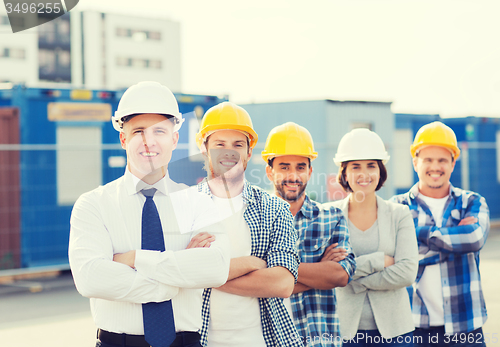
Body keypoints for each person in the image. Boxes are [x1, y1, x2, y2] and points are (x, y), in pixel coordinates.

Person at [69, 81, 230, 347]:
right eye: (138, 131)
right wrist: (172, 281)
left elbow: (215, 269)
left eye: (159, 131)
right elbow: (91, 277)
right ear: (123, 139)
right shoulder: (93, 205)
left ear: (174, 139)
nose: (149, 141)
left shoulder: (198, 203)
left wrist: (133, 259)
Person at [194, 102, 302, 347]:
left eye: (238, 145)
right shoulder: (182, 208)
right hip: (198, 340)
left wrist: (204, 273)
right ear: (204, 148)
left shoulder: (275, 209)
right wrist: (250, 264)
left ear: (249, 152)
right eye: (219, 144)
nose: (228, 153)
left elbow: (283, 283)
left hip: (261, 340)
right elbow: (174, 275)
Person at [391, 121, 489, 347]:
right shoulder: (397, 207)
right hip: (414, 327)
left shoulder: (471, 202)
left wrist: (415, 236)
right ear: (415, 162)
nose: (435, 167)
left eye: (442, 160)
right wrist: (453, 242)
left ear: (453, 163)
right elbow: (392, 260)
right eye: (428, 160)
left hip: (466, 326)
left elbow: (474, 238)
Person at [262, 122, 356, 347]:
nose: (293, 175)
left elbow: (340, 276)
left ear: (310, 171)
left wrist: (275, 273)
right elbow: (251, 285)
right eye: (284, 167)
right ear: (269, 171)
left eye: (300, 167)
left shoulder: (331, 217)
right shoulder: (256, 221)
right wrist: (318, 271)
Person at [329, 128, 418, 347]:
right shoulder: (328, 216)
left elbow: (407, 272)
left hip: (395, 333)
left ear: (380, 171)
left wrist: (351, 280)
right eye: (355, 166)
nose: (364, 174)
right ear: (344, 172)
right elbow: (328, 273)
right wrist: (379, 261)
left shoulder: (400, 214)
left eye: (371, 166)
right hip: (345, 333)